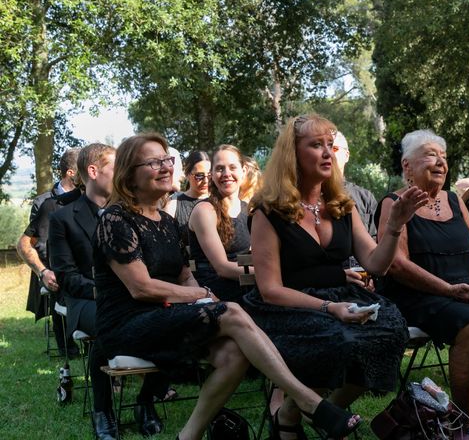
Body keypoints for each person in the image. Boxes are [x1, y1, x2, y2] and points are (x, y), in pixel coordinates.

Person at [93, 133, 361, 440]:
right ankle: (308, 401)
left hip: (165, 317)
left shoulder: (165, 221)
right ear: (129, 173)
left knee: (234, 353)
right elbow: (140, 287)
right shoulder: (115, 219)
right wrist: (205, 295)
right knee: (231, 310)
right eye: (154, 162)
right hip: (126, 324)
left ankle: (188, 436)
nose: (166, 167)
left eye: (167, 160)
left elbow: (183, 276)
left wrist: (207, 300)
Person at [245, 114, 428, 437]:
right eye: (317, 145)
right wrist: (329, 308)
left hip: (342, 298)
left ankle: (298, 412)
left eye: (330, 145)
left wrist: (396, 225)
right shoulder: (268, 211)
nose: (328, 153)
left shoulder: (342, 205)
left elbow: (376, 264)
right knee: (339, 339)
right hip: (288, 306)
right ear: (293, 154)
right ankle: (309, 412)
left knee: (392, 329)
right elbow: (271, 289)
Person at [376, 129, 469, 440]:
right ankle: (463, 421)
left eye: (443, 157)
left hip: (467, 291)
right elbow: (397, 265)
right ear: (407, 166)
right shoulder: (393, 203)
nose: (440, 162)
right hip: (420, 295)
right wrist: (447, 289)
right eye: (430, 155)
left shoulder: (454, 200)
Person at [48, 143, 172, 439]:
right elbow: (66, 276)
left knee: (174, 320)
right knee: (109, 322)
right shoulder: (62, 218)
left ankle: (145, 401)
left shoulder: (133, 213)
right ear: (93, 171)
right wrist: (110, 293)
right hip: (86, 302)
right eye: (118, 167)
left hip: (138, 296)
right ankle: (102, 411)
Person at [17, 147, 80, 356]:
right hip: (54, 265)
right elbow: (38, 242)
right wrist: (47, 270)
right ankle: (67, 346)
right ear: (71, 172)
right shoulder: (45, 202)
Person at [188, 145, 251, 304]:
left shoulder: (249, 209)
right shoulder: (205, 210)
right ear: (212, 175)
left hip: (248, 283)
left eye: (232, 167)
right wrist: (268, 276)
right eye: (220, 169)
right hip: (216, 291)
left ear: (243, 171)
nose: (226, 174)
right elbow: (222, 268)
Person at [333, 131, 378, 237]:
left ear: (347, 155)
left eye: (334, 148)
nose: (328, 153)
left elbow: (376, 239)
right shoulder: (310, 198)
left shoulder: (365, 197)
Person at [163, 150, 211, 245]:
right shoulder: (174, 203)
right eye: (199, 176)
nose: (206, 181)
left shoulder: (220, 200)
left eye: (210, 175)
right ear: (187, 174)